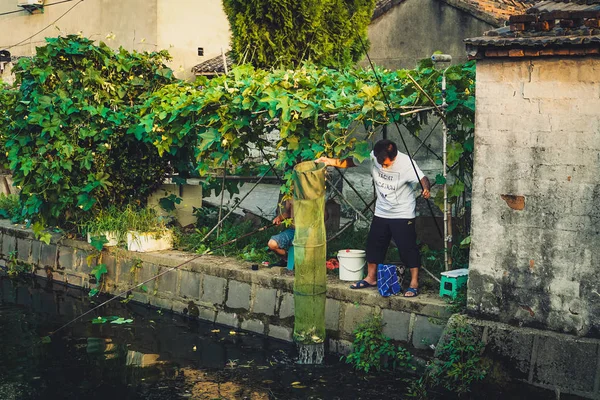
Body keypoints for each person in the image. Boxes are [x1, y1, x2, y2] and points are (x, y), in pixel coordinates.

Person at [317, 139, 430, 297]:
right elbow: (351, 162)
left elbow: (423, 178)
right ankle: (371, 278)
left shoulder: (406, 163)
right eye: (380, 163)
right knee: (374, 245)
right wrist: (329, 161)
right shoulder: (372, 157)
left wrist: (425, 189)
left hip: (402, 213)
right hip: (382, 211)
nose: (383, 166)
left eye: (386, 163)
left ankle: (414, 283)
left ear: (395, 156)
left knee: (407, 247)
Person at [268, 200, 294, 267]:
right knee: (272, 243)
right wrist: (279, 218)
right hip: (293, 231)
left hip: (309, 231)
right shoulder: (290, 194)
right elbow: (288, 212)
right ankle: (287, 259)